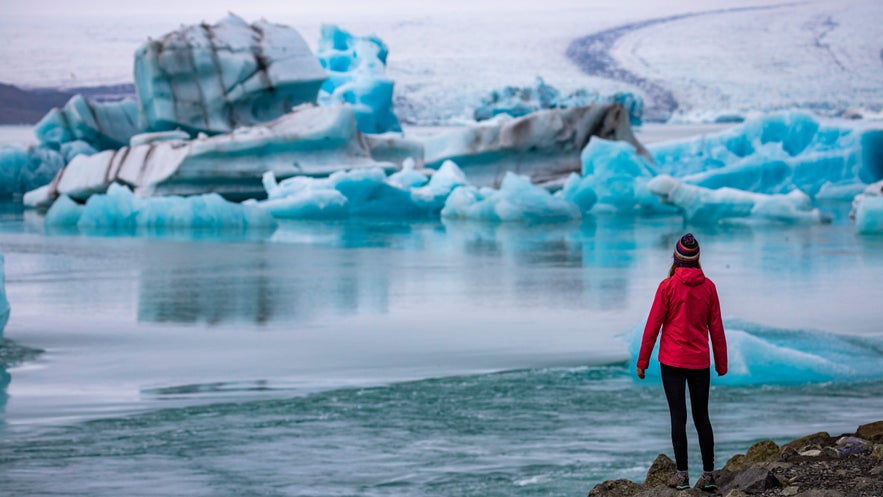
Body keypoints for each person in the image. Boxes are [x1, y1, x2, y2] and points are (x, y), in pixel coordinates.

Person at [636, 233, 727, 492]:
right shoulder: (708, 287)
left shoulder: (667, 287)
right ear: (697, 260)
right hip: (699, 362)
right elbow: (717, 328)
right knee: (702, 418)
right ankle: (708, 475)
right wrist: (721, 363)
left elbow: (652, 326)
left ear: (676, 259)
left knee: (678, 417)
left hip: (672, 362)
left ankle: (682, 475)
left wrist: (642, 362)